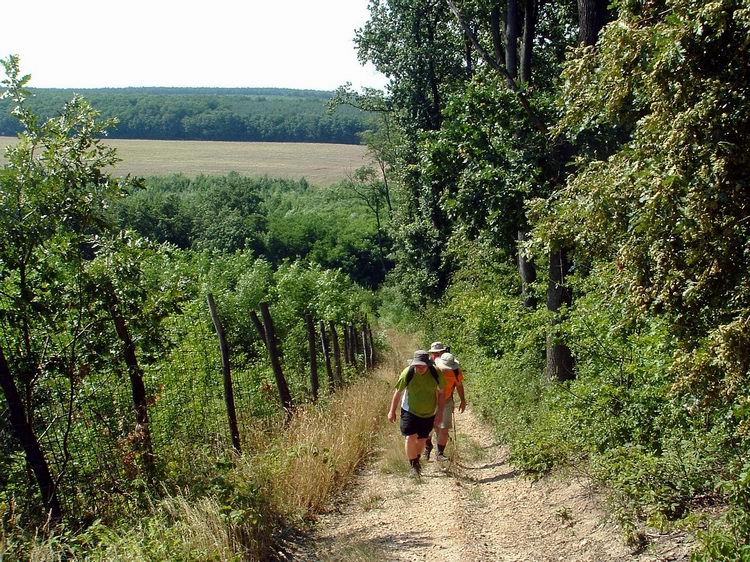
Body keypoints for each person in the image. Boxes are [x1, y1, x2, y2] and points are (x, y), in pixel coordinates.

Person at [388, 350, 446, 478]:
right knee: (410, 437)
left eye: (423, 365)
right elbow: (398, 392)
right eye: (417, 365)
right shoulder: (407, 373)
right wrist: (392, 411)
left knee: (422, 439)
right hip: (409, 410)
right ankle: (414, 466)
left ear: (428, 364)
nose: (420, 368)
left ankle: (417, 459)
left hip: (429, 412)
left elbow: (442, 393)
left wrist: (440, 412)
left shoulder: (436, 373)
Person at [432, 352, 466, 461]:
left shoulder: (456, 372)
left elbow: (459, 385)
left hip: (446, 401)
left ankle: (440, 453)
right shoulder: (433, 371)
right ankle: (428, 447)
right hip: (431, 401)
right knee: (433, 427)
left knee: (444, 428)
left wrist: (463, 400)